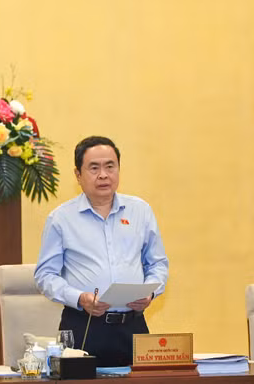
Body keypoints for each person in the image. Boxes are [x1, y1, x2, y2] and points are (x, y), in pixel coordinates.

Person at [34, 136, 169, 366]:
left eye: (110, 166)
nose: (103, 175)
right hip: (83, 327)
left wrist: (151, 293)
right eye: (94, 168)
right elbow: (45, 276)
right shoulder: (61, 219)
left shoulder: (140, 211)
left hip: (133, 326)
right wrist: (80, 298)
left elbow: (157, 264)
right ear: (78, 175)